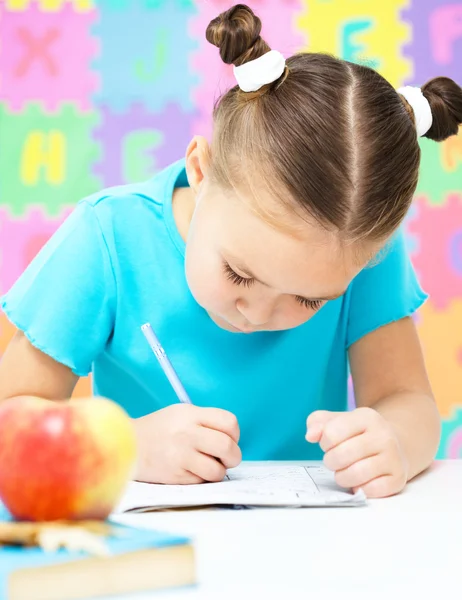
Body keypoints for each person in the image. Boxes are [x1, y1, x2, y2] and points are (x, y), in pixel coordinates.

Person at [1, 4, 461, 497]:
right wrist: (126, 445)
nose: (257, 312)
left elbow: (406, 400)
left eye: (310, 300)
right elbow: (11, 415)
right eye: (240, 274)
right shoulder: (108, 237)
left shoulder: (357, 251)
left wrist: (392, 439)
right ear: (200, 170)